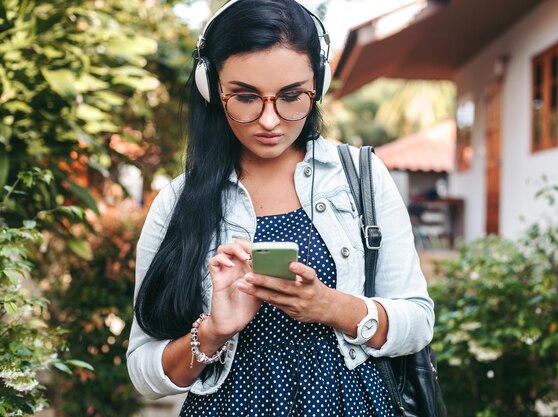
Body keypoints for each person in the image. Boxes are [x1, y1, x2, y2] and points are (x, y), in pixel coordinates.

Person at [126, 0, 434, 415]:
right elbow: (144, 374)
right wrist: (213, 333)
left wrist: (331, 306)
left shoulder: (362, 177)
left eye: (291, 96)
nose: (270, 121)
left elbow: (418, 322)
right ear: (210, 88)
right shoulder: (177, 203)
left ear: (317, 86)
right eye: (245, 97)